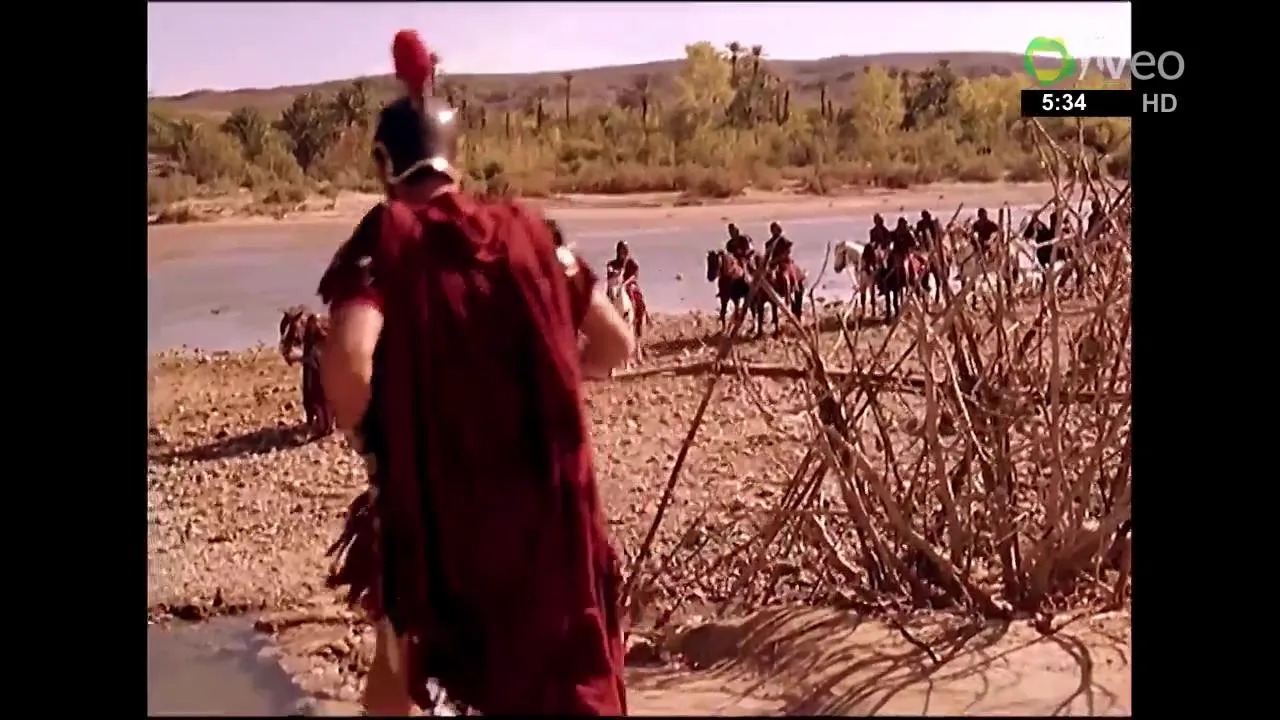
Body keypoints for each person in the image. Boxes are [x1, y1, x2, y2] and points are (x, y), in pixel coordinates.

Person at [317, 30, 633, 717]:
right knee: (555, 663)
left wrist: (381, 443)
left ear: (384, 163)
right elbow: (617, 342)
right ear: (454, 158)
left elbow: (347, 362)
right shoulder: (533, 236)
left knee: (400, 645)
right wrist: (558, 379)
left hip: (443, 512)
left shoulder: (388, 239)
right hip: (548, 506)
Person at [606, 240, 647, 322]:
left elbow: (634, 276)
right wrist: (612, 271)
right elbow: (610, 274)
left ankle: (635, 314)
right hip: (616, 285)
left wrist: (625, 283)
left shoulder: (632, 263)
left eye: (624, 249)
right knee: (608, 295)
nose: (622, 252)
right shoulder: (612, 263)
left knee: (632, 293)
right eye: (621, 249)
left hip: (629, 284)